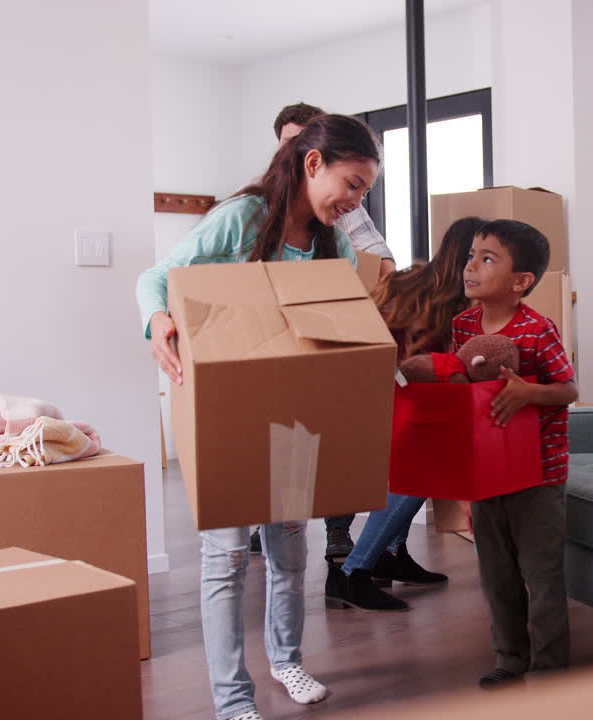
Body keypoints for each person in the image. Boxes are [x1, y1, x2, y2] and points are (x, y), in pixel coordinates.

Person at [136, 114, 380, 720]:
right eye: (350, 186)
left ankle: (286, 658)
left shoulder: (334, 243)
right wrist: (157, 320)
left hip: (294, 417)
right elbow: (157, 277)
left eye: (365, 193)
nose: (354, 203)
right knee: (224, 562)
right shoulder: (241, 218)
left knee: (290, 551)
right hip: (230, 413)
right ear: (313, 164)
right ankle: (232, 700)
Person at [323, 216, 485, 613]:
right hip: (377, 394)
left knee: (421, 465)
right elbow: (415, 363)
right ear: (464, 257)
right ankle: (351, 572)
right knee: (420, 471)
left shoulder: (420, 283)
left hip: (387, 394)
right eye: (480, 257)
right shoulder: (441, 300)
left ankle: (390, 557)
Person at [261, 102, 394, 560]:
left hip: (312, 364)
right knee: (246, 536)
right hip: (264, 366)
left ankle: (337, 535)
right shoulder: (252, 212)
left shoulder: (338, 219)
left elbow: (378, 259)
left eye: (362, 189)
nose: (294, 154)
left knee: (291, 536)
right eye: (288, 145)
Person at [452, 219, 578, 689]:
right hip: (487, 472)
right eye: (471, 255)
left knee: (541, 578)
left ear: (521, 281)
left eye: (487, 259)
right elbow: (462, 395)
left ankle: (550, 671)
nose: (471, 266)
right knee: (496, 575)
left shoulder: (537, 329)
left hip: (539, 475)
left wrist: (528, 393)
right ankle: (510, 658)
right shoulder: (462, 325)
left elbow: (569, 388)